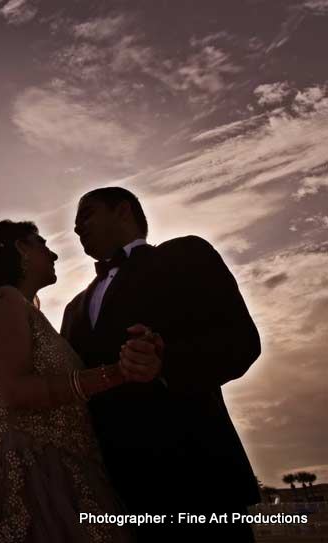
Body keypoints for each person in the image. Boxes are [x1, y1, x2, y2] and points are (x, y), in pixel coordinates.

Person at [61, 187, 261, 542]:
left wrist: (165, 362)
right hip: (115, 494)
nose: (77, 228)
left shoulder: (186, 254)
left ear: (123, 211)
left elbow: (242, 342)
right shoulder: (74, 308)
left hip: (198, 478)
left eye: (86, 215)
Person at [0, 219, 162, 543]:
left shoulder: (23, 308)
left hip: (62, 467)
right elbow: (17, 391)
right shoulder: (4, 300)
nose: (54, 255)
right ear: (21, 248)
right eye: (43, 244)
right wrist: (116, 373)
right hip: (31, 474)